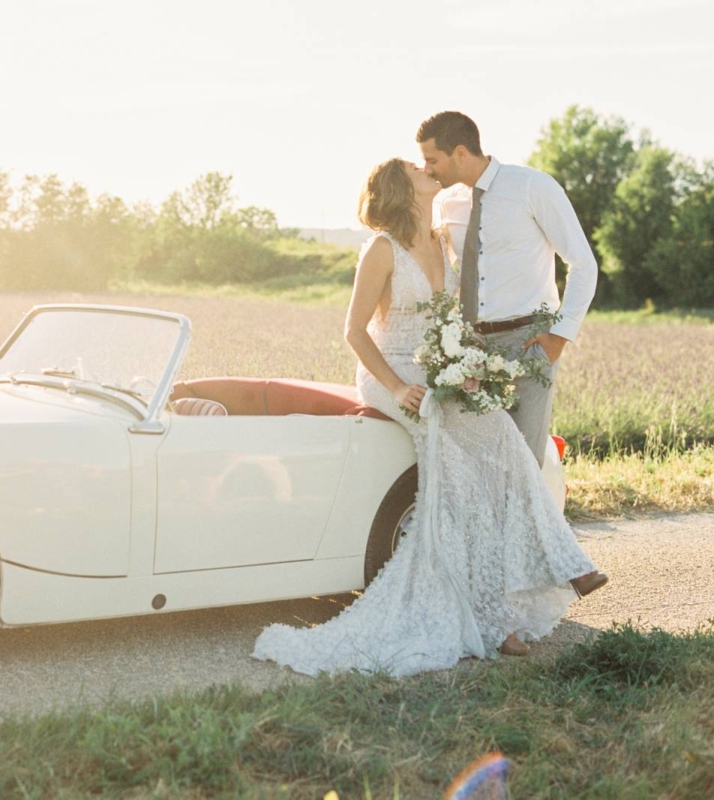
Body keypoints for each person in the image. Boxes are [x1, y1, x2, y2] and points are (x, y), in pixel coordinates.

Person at [252, 156, 607, 677]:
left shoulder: (443, 238)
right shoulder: (380, 249)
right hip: (391, 370)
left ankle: (546, 578)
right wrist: (396, 386)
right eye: (416, 168)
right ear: (402, 187)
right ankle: (499, 614)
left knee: (504, 443)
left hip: (440, 368)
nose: (428, 169)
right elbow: (353, 332)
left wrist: (470, 365)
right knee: (462, 472)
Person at [417, 111, 596, 467]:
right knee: (475, 461)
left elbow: (582, 263)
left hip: (528, 343)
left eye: (432, 160)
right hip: (468, 351)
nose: (427, 170)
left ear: (460, 153)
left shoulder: (532, 186)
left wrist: (559, 336)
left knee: (523, 465)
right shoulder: (446, 204)